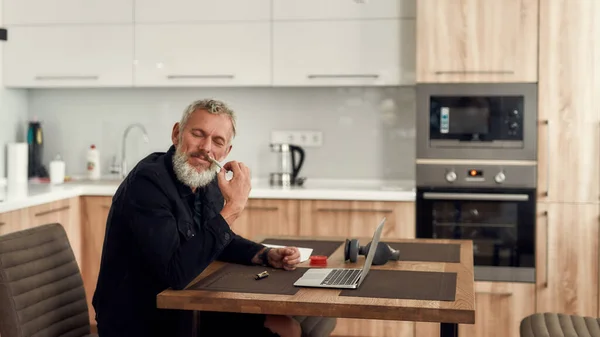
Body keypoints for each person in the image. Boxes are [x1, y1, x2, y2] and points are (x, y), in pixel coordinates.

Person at [92, 99, 302, 337]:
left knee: (287, 325)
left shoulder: (206, 179)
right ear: (176, 134)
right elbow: (176, 273)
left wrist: (264, 254)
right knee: (286, 330)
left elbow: (216, 239)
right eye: (198, 134)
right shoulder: (147, 183)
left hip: (187, 307)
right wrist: (233, 207)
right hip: (141, 319)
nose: (206, 148)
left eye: (217, 141)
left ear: (226, 152)